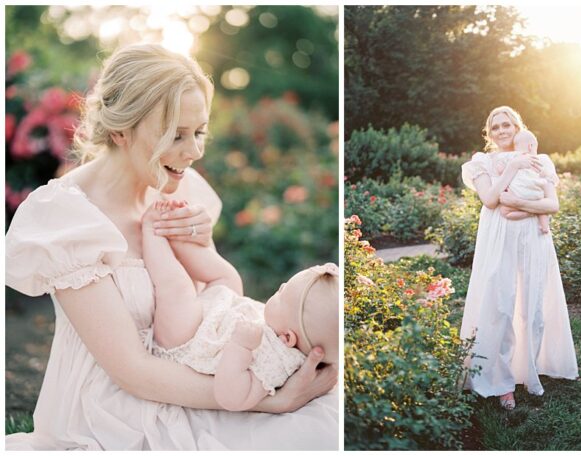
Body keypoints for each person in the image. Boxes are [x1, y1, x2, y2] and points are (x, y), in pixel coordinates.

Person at [4, 44, 337, 450]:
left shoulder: (179, 189)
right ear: (121, 130)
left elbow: (219, 297)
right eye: (176, 135)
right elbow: (132, 370)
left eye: (199, 132)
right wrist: (267, 400)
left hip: (201, 374)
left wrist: (203, 245)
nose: (195, 151)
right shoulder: (67, 220)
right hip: (116, 407)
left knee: (326, 417)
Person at [141, 200, 339, 412]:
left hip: (190, 342)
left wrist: (240, 347)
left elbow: (232, 398)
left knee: (178, 289)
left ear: (288, 338)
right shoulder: (285, 333)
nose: (280, 286)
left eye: (283, 294)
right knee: (229, 277)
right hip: (215, 322)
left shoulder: (277, 363)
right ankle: (177, 236)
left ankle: (154, 231)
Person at [459, 106, 578, 410]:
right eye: (495, 126)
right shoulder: (482, 162)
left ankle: (528, 369)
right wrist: (511, 170)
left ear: (517, 127)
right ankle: (500, 382)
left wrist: (518, 204)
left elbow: (552, 204)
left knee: (533, 307)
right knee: (499, 305)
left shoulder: (541, 160)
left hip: (533, 239)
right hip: (498, 238)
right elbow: (489, 199)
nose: (501, 131)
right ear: (489, 133)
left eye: (506, 125)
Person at [492, 129, 553, 234]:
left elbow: (503, 171)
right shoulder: (539, 160)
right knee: (543, 211)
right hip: (536, 196)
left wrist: (500, 168)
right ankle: (544, 226)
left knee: (504, 212)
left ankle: (528, 213)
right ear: (531, 146)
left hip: (518, 194)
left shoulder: (514, 158)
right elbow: (545, 175)